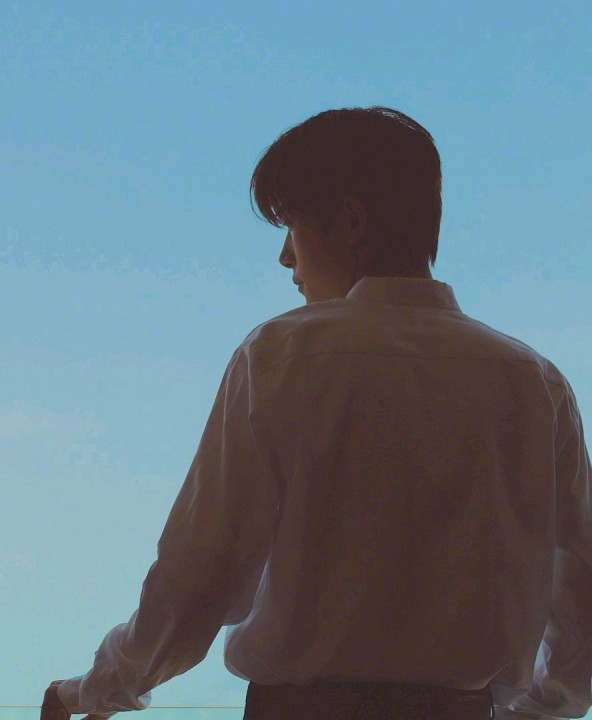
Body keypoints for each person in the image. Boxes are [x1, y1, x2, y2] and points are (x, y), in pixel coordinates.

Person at [42, 107, 592, 720]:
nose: (286, 258)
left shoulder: (280, 356)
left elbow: (199, 576)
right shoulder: (535, 384)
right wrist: (531, 711)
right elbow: (582, 604)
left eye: (292, 227)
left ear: (351, 221)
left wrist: (92, 690)